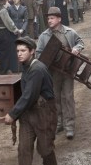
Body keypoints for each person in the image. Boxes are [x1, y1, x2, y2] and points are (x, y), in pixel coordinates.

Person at [1, 37, 58, 165]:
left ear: (32, 51)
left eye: (23, 51)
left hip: (44, 112)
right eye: (17, 51)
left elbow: (29, 95)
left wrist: (12, 114)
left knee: (45, 149)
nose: (19, 54)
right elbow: (24, 94)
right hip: (28, 115)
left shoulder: (37, 69)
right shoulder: (25, 67)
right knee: (23, 150)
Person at [36, 7, 84, 140]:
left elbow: (80, 42)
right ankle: (58, 124)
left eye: (52, 18)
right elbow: (38, 53)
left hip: (68, 70)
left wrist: (76, 48)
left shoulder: (69, 32)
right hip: (52, 72)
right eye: (48, 18)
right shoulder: (44, 36)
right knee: (55, 97)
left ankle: (70, 127)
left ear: (59, 19)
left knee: (68, 97)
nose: (49, 21)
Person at [0, 0, 21, 74]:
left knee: (0, 52)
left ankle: (2, 70)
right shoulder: (2, 10)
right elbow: (8, 23)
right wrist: (16, 30)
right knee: (5, 54)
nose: (6, 0)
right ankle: (3, 72)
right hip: (3, 33)